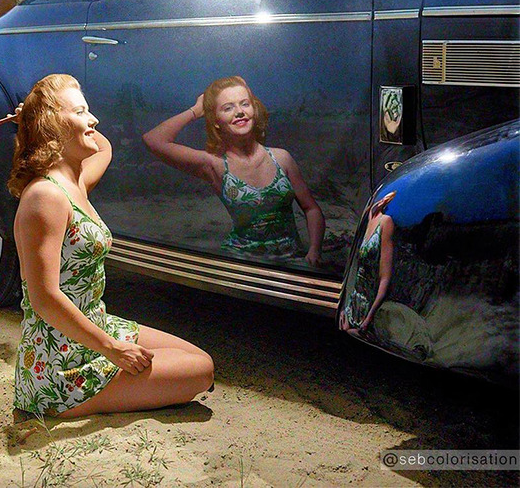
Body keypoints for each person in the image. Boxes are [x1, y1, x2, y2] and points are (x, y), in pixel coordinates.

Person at [0, 74, 214, 419]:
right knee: (200, 372)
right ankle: (73, 399)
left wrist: (32, 118)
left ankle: (122, 379)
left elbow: (105, 146)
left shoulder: (75, 181)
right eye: (81, 111)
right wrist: (113, 350)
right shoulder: (45, 197)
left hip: (95, 326)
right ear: (53, 123)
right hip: (59, 366)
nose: (93, 120)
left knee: (199, 360)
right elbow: (43, 297)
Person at [142, 76, 325, 264]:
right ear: (215, 120)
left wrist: (314, 251)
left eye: (244, 104)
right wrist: (196, 110)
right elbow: (153, 140)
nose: (239, 112)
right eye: (228, 108)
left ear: (253, 109)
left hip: (291, 262)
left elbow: (311, 209)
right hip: (239, 263)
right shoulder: (215, 165)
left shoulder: (281, 158)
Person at [339, 190, 396, 334]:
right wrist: (344, 306)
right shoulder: (368, 218)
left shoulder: (385, 221)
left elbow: (385, 277)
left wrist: (369, 318)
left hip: (368, 304)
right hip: (353, 302)